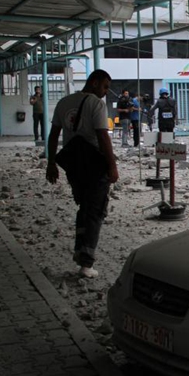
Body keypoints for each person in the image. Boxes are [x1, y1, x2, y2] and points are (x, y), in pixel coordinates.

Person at [45, 69, 118, 279]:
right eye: (105, 86)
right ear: (94, 83)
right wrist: (112, 166)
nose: (105, 92)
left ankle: (80, 251)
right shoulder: (96, 104)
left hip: (74, 165)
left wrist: (51, 163)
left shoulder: (64, 102)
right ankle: (86, 264)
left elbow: (53, 136)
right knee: (95, 211)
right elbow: (103, 138)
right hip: (94, 164)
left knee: (84, 208)